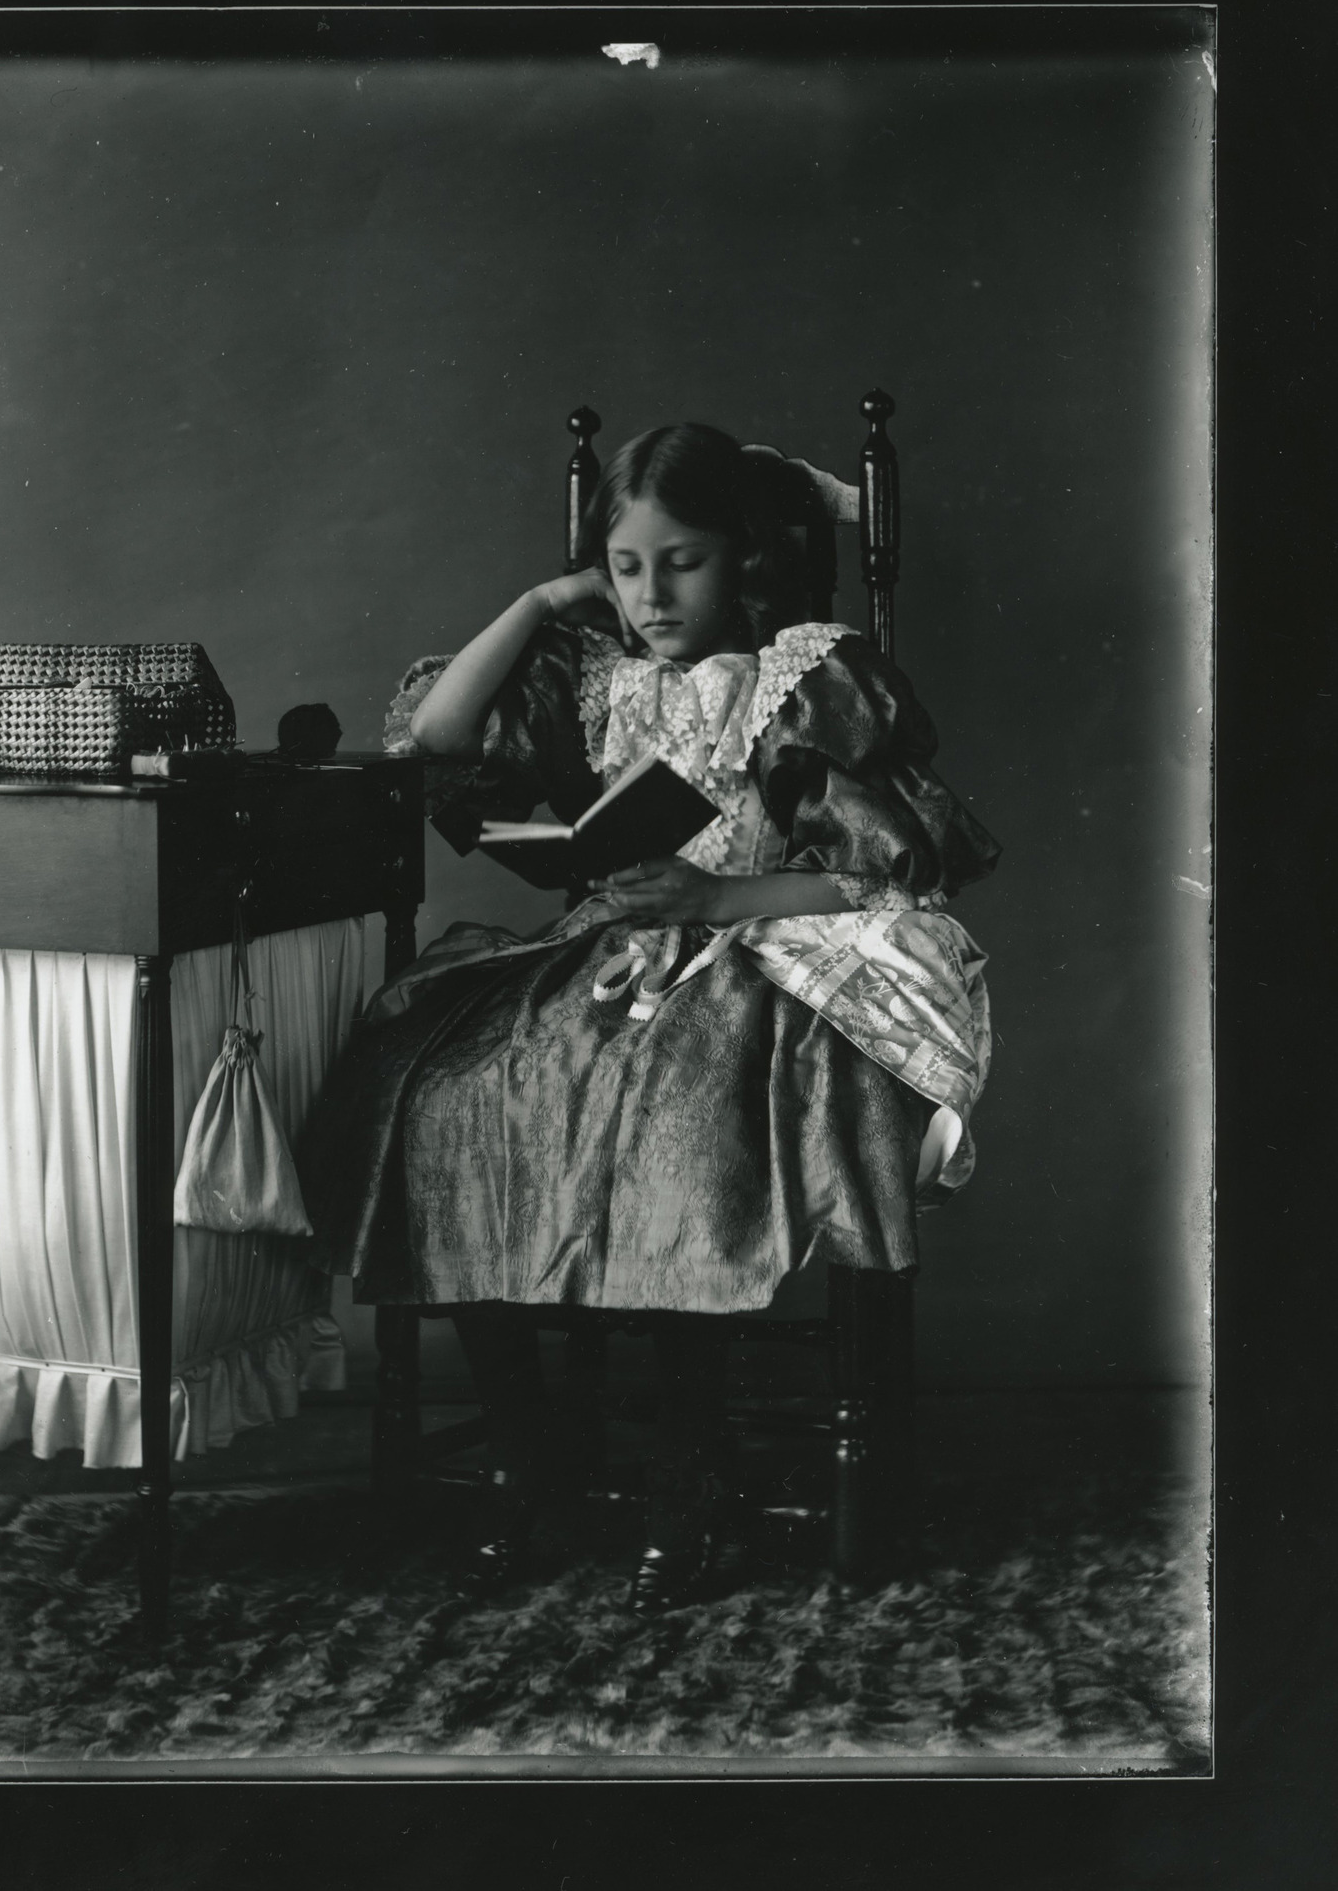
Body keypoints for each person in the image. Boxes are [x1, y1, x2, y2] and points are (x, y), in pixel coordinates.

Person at [299, 422, 1000, 1612]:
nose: (652, 595)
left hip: (748, 957)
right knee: (450, 1105)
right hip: (604, 957)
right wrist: (543, 600)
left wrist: (718, 897)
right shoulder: (596, 677)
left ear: (745, 559)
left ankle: (690, 1480)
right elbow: (436, 741)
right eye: (627, 567)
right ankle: (534, 1462)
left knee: (679, 1131)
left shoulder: (801, 679)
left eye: (683, 562)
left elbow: (887, 877)